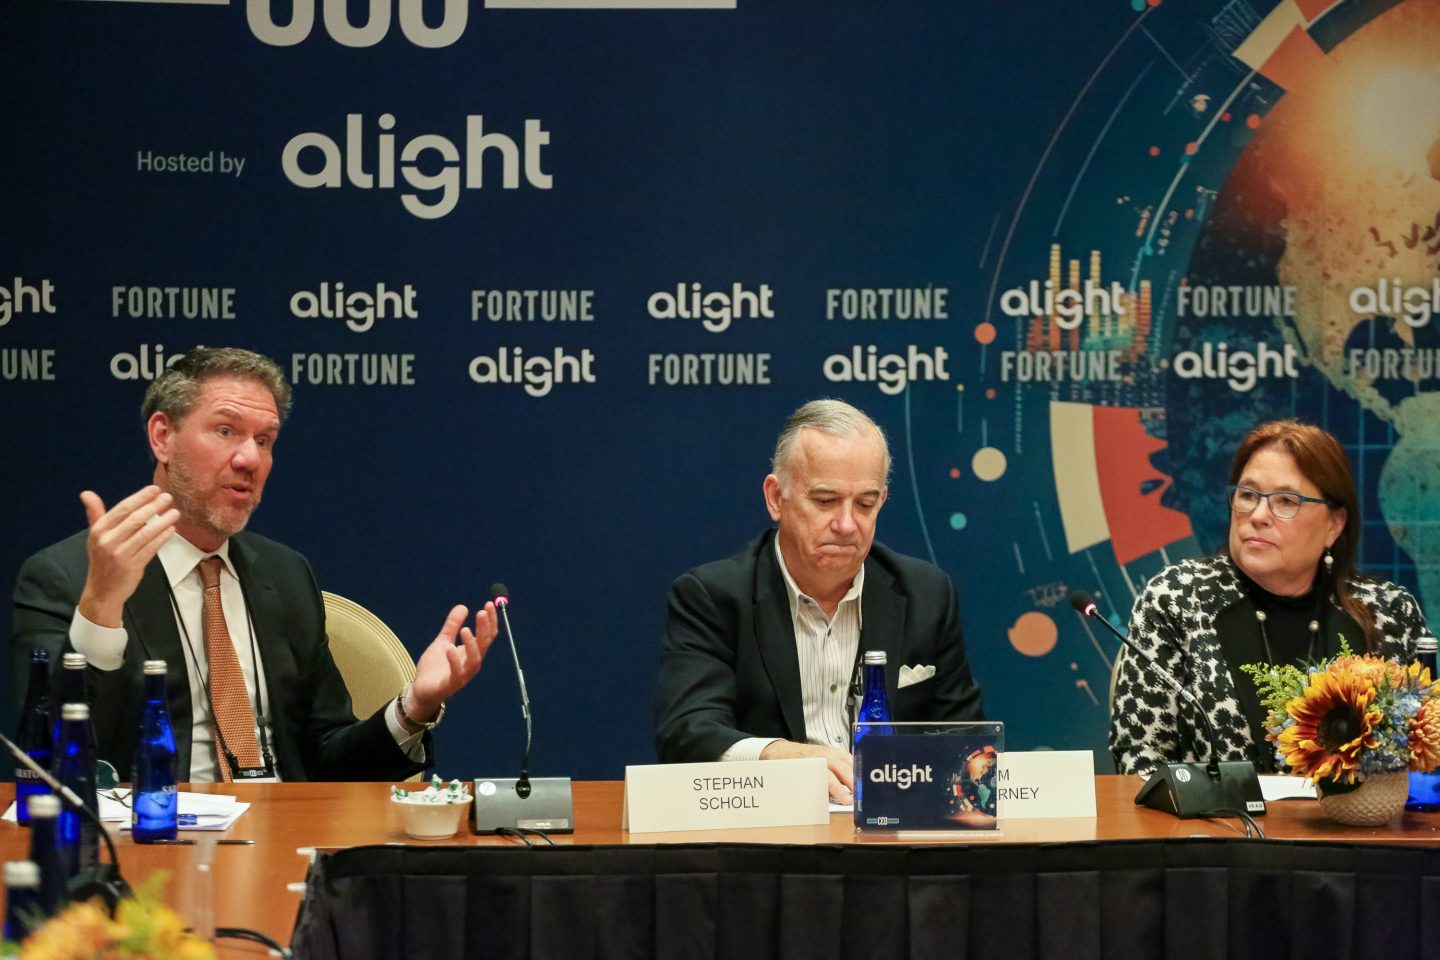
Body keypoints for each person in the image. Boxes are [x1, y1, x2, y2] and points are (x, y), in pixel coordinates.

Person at [11, 347, 496, 782]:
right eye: (226, 431)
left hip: (285, 837)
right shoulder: (67, 576)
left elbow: (327, 762)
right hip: (154, 845)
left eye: (265, 440)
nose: (250, 458)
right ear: (163, 437)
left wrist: (414, 708)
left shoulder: (285, 575)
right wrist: (101, 605)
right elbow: (52, 757)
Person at [654, 399, 984, 802]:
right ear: (777, 497)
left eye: (865, 503)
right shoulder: (715, 597)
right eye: (825, 501)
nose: (847, 524)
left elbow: (966, 742)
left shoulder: (925, 594)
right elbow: (688, 732)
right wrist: (781, 756)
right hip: (769, 836)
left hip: (892, 834)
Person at [1110, 419, 1432, 775]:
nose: (1259, 516)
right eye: (1248, 495)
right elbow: (1139, 761)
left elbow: (1421, 759)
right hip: (1218, 827)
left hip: (1357, 827)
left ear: (1333, 525)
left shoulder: (1387, 613)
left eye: (1286, 501)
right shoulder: (1177, 600)